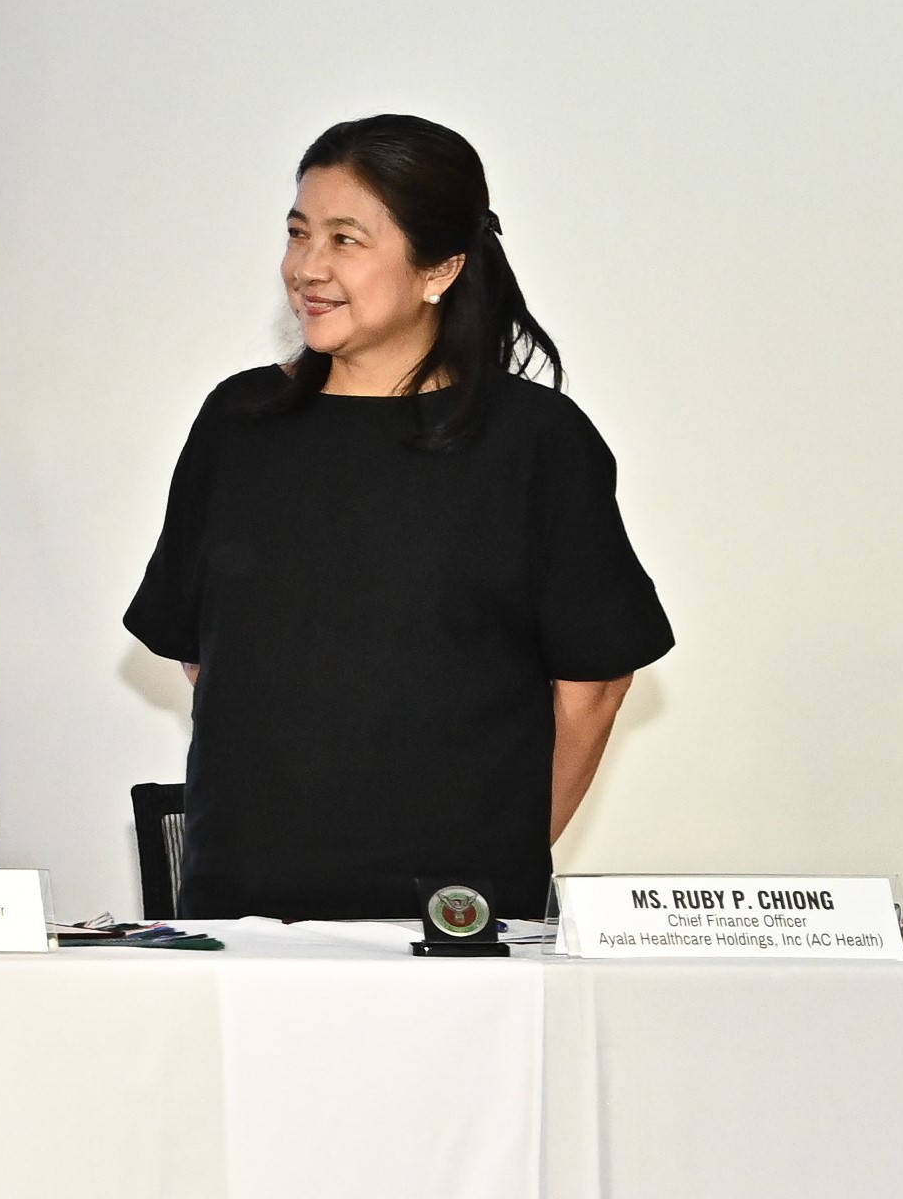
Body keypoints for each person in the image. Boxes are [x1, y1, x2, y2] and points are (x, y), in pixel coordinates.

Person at [123, 117, 666, 921]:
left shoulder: (536, 443)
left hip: (453, 920)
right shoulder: (239, 421)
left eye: (346, 240)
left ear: (440, 267)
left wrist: (498, 859)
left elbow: (593, 685)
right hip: (241, 908)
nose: (307, 268)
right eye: (298, 233)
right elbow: (210, 660)